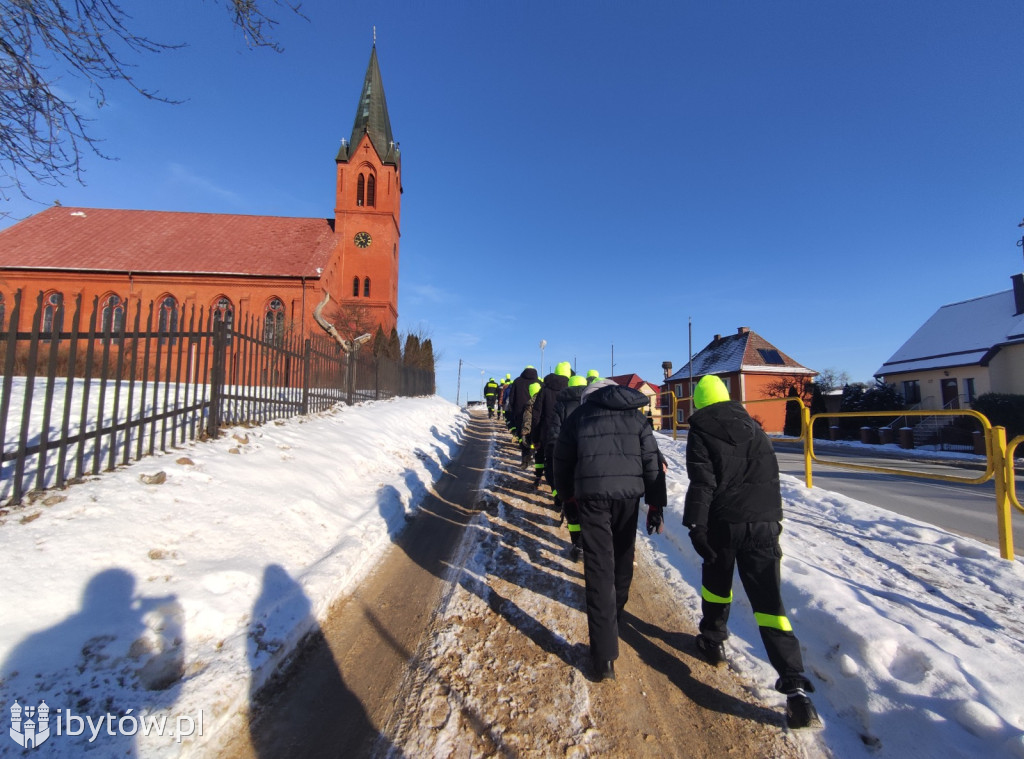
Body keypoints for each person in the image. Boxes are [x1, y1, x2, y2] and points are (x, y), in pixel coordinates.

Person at [683, 374, 821, 730]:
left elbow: (703, 483)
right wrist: (772, 520)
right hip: (763, 522)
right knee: (769, 604)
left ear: (698, 403)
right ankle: (796, 690)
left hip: (724, 523)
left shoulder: (701, 431)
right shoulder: (755, 427)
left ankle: (712, 641)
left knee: (716, 583)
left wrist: (696, 526)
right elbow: (769, 476)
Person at [553, 378, 664, 682]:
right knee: (623, 558)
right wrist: (656, 506)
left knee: (600, 568)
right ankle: (614, 615)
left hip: (592, 500)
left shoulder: (578, 417)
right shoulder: (637, 418)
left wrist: (567, 498)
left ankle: (604, 658)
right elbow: (651, 461)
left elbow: (561, 461)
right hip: (629, 498)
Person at [546, 373, 589, 559]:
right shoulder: (591, 405)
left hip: (568, 462)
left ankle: (578, 545)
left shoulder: (561, 405)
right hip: (588, 463)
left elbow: (554, 435)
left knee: (571, 503)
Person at [527, 361, 571, 488]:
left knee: (545, 458)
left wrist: (535, 437)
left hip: (546, 432)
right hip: (567, 433)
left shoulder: (544, 390)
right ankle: (561, 492)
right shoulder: (572, 389)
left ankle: (540, 478)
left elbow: (536, 416)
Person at [507, 366, 540, 465]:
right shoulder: (539, 382)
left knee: (523, 434)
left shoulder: (517, 381)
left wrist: (513, 410)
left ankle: (525, 458)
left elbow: (511, 399)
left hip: (519, 412)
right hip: (534, 412)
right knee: (534, 433)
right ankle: (534, 453)